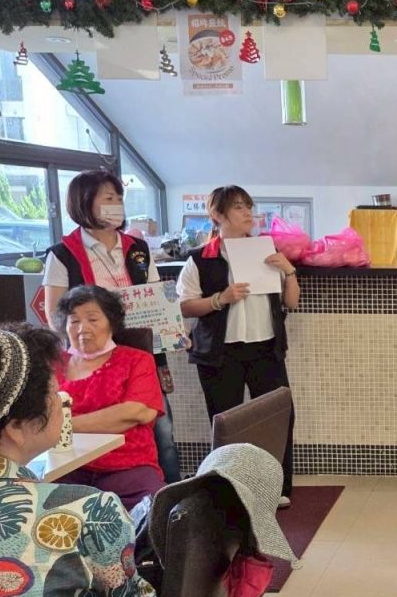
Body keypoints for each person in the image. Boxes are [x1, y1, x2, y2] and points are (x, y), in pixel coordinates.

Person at [0, 323, 157, 597]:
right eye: (54, 395)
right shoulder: (86, 511)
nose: (63, 404)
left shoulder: (132, 361)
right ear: (15, 426)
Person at [42, 169, 181, 484]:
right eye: (108, 198)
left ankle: (169, 497)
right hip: (91, 358)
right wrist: (85, 339)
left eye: (119, 198)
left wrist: (170, 328)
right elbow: (55, 315)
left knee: (162, 431)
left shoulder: (138, 248)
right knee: (94, 424)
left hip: (141, 353)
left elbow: (157, 296)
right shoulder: (63, 254)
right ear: (84, 202)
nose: (117, 204)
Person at [176, 185, 299, 507]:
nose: (248, 214)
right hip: (220, 353)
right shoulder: (201, 258)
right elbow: (185, 306)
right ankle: (227, 489)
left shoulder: (266, 250)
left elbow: (291, 302)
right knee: (226, 422)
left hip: (265, 348)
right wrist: (221, 299)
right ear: (217, 215)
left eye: (249, 207)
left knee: (277, 416)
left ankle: (278, 487)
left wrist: (289, 271)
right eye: (239, 208)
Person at [55, 285, 165, 510]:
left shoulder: (136, 360)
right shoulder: (53, 365)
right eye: (74, 321)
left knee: (156, 510)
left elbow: (137, 411)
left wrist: (63, 425)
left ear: (111, 323)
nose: (82, 328)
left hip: (127, 466)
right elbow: (40, 415)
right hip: (65, 467)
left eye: (93, 319)